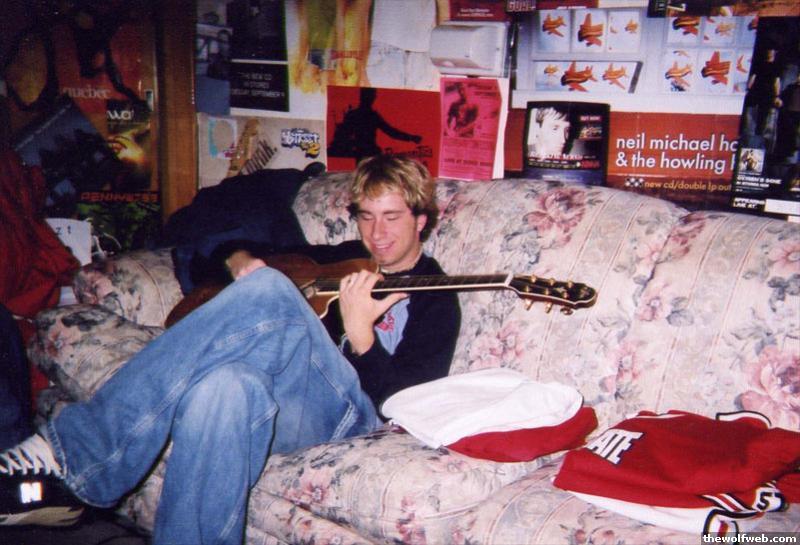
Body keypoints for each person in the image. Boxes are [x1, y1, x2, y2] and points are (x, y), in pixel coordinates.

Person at [0, 155, 461, 545]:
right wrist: (239, 259)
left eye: (392, 217)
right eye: (366, 216)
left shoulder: (437, 297)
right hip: (292, 409)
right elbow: (221, 251)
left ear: (421, 220)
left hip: (353, 417)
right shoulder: (342, 257)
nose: (377, 232)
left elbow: (405, 404)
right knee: (223, 387)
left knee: (271, 291)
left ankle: (75, 452)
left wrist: (362, 337)